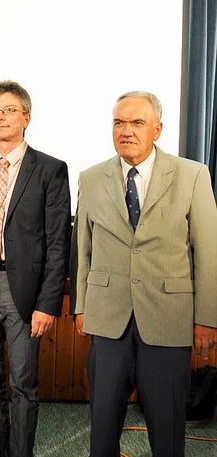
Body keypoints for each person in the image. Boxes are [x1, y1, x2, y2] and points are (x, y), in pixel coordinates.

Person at [70, 91, 217, 457]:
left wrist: (207, 319)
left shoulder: (192, 175)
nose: (126, 131)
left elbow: (208, 253)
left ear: (157, 129)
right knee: (102, 426)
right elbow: (82, 249)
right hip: (107, 318)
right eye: (119, 122)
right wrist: (80, 306)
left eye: (137, 122)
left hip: (169, 318)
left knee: (166, 427)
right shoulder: (91, 178)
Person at [0, 80, 71, 457]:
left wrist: (48, 303)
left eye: (8, 110)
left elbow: (59, 243)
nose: (0, 117)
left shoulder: (50, 169)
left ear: (26, 117)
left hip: (22, 292)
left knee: (23, 384)